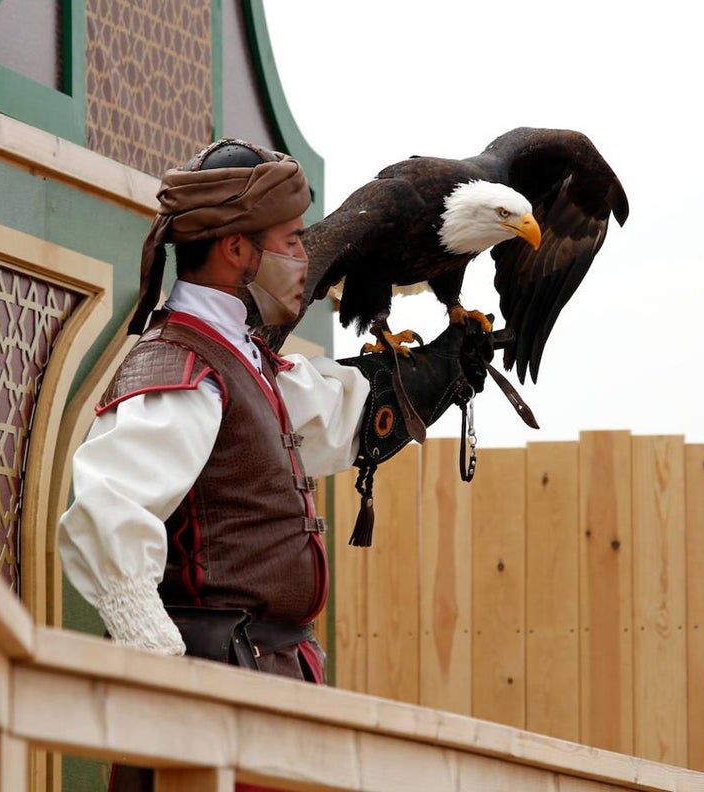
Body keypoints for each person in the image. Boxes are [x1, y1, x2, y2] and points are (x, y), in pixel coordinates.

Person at [57, 138, 491, 791]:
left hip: (266, 688)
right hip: (217, 702)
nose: (306, 257)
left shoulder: (241, 357)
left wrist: (440, 369)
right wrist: (167, 677)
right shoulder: (183, 367)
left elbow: (335, 421)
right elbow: (107, 509)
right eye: (291, 240)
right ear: (237, 251)